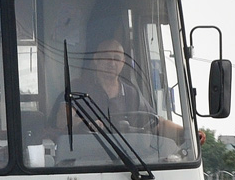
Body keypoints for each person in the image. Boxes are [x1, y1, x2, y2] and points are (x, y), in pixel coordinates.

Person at [53, 37, 183, 141]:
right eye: (107, 58)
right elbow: (62, 120)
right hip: (85, 160)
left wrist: (186, 134)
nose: (112, 63)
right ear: (96, 59)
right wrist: (86, 123)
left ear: (123, 63)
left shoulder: (131, 93)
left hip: (124, 162)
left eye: (117, 59)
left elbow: (157, 123)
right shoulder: (77, 87)